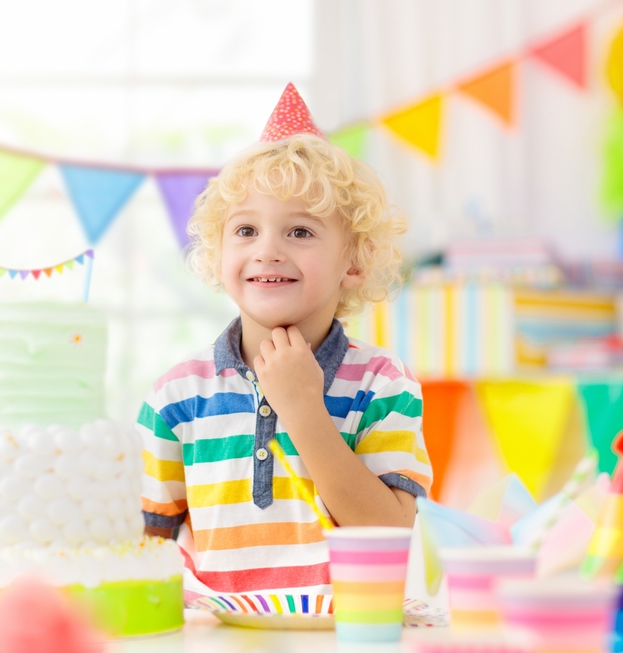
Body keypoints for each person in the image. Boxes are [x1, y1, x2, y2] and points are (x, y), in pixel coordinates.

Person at [138, 84, 431, 601]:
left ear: (354, 261)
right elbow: (142, 549)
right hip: (217, 635)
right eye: (245, 230)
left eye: (299, 232)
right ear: (217, 254)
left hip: (344, 636)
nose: (267, 250)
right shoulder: (176, 396)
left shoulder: (383, 384)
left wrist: (303, 410)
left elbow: (389, 534)